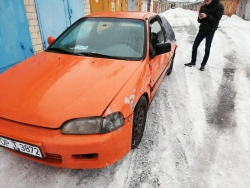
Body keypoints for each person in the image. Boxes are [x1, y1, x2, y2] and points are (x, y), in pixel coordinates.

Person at [184, 0, 224, 71]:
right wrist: (200, 18)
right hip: (202, 30)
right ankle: (193, 62)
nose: (206, 1)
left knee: (207, 49)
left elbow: (216, 21)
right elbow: (199, 21)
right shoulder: (203, 7)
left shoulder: (219, 7)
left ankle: (203, 65)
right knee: (195, 46)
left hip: (210, 32)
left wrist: (207, 16)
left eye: (208, 0)